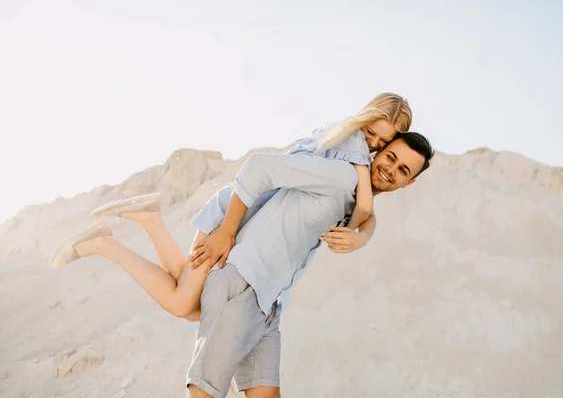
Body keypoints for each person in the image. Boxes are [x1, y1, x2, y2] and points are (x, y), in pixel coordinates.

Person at [50, 104, 433, 398]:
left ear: (411, 183)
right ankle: (106, 242)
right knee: (200, 366)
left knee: (188, 303)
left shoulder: (351, 189)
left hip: (268, 300)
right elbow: (258, 169)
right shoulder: (343, 171)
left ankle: (145, 223)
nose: (385, 159)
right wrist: (227, 231)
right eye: (384, 151)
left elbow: (365, 211)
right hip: (241, 270)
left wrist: (365, 230)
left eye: (401, 168)